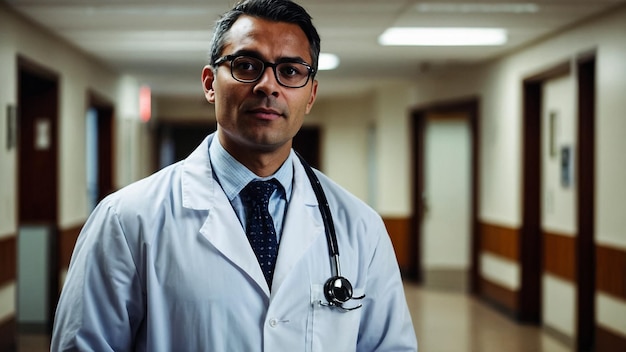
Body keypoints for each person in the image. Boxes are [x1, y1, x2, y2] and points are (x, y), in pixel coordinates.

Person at [50, 0, 418, 350]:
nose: (268, 86)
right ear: (210, 83)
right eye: (246, 65)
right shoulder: (126, 220)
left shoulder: (359, 226)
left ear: (310, 95)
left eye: (290, 71)